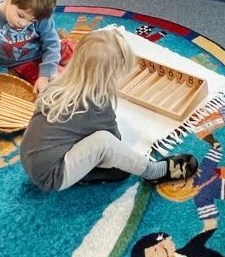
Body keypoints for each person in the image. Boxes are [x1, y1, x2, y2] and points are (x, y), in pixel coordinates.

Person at [20, 27, 199, 191]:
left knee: (117, 168)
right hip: (52, 176)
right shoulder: (96, 104)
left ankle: (85, 174)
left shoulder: (56, 85)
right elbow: (114, 143)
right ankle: (153, 172)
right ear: (111, 76)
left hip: (30, 161)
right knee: (105, 143)